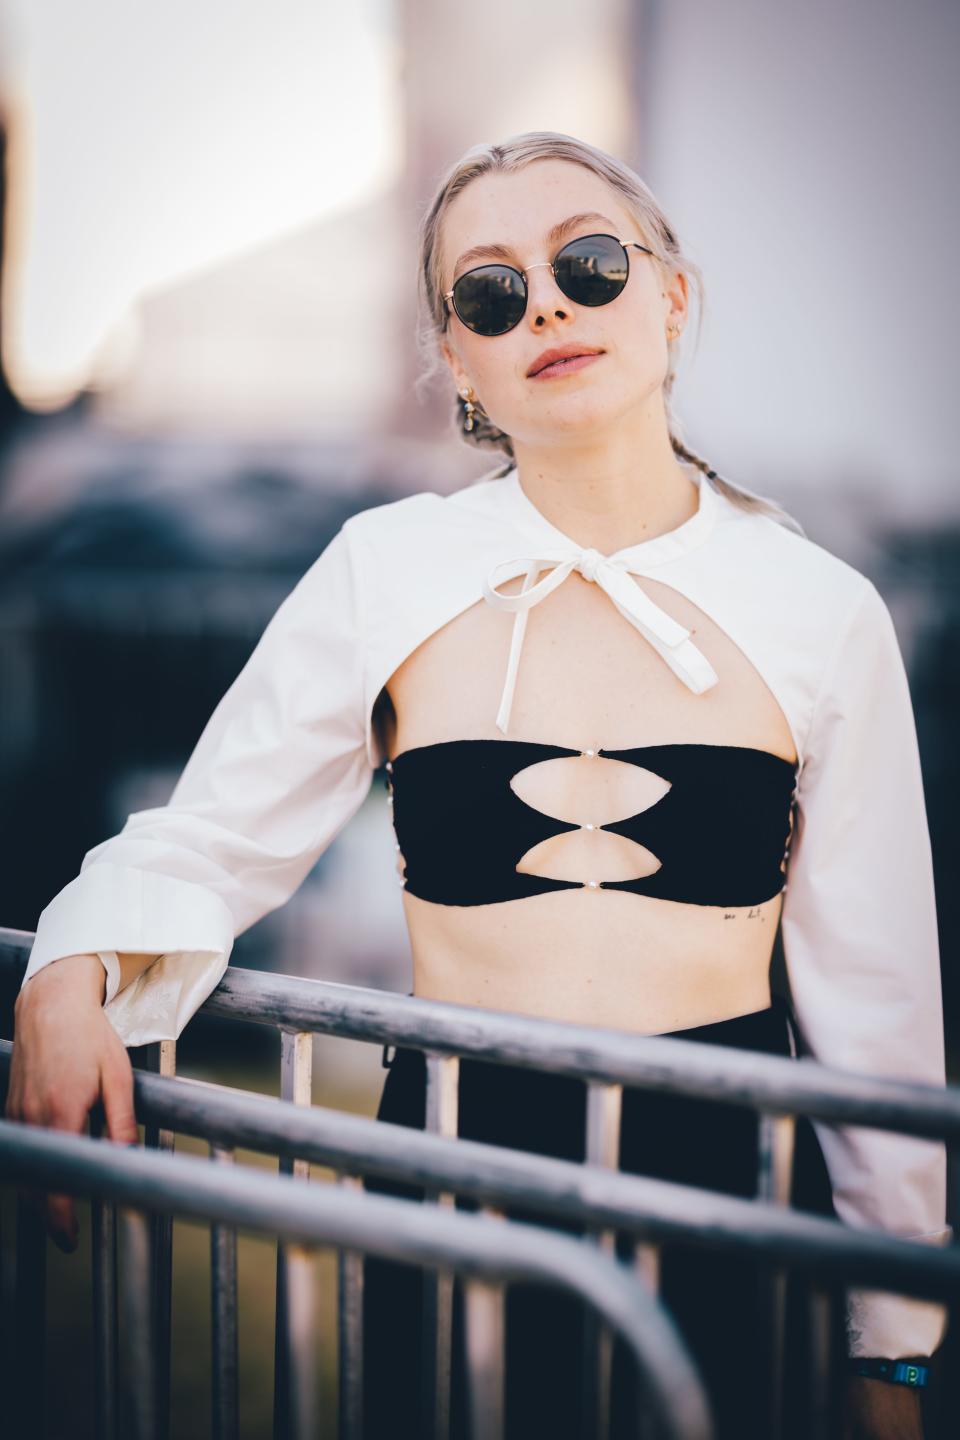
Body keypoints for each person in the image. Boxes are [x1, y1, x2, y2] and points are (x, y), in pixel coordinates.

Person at [6, 132, 949, 1438]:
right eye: (491, 293)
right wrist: (72, 965)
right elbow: (217, 833)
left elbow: (879, 992)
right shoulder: (382, 567)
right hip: (453, 1161)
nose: (548, 304)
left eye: (590, 262)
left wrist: (889, 1348)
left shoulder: (821, 609)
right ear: (459, 360)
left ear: (671, 296)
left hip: (732, 1177)